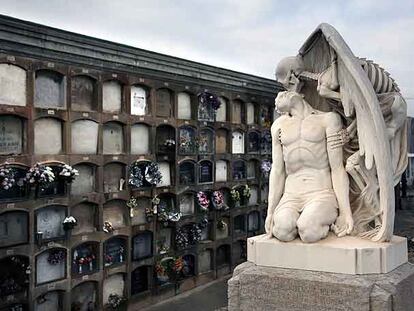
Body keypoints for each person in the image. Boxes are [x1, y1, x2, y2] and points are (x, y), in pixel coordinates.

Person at [264, 91, 353, 243]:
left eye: (285, 92)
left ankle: (324, 225)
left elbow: (337, 168)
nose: (281, 94)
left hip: (321, 193)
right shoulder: (278, 126)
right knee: (281, 230)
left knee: (308, 230)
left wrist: (345, 212)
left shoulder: (328, 119)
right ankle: (302, 223)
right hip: (291, 195)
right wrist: (270, 212)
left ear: (303, 94)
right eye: (278, 95)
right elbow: (278, 171)